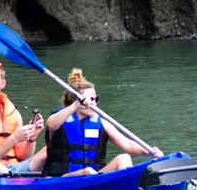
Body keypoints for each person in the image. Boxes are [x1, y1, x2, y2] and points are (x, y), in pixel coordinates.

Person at [33, 68, 163, 175]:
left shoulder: (102, 123)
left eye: (96, 99)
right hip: (62, 178)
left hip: (94, 177)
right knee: (88, 171)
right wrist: (76, 105)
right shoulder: (59, 118)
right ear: (77, 100)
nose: (94, 103)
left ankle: (127, 188)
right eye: (90, 99)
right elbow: (51, 125)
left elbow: (127, 144)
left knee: (124, 158)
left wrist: (150, 151)